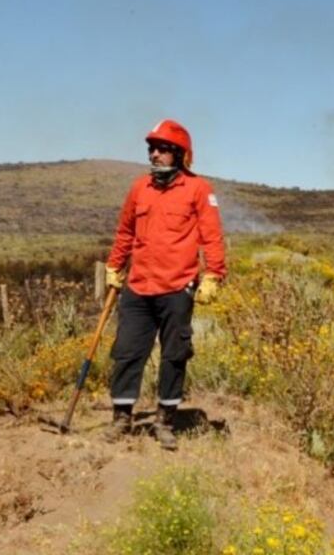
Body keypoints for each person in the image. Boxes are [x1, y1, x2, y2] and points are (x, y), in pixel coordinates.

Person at [103, 118, 227, 450]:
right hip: (138, 287)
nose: (154, 155)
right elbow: (125, 232)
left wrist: (214, 274)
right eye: (151, 149)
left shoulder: (199, 190)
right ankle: (121, 418)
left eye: (162, 150)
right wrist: (114, 266)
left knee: (174, 356)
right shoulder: (139, 188)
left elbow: (212, 237)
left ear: (180, 154)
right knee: (127, 353)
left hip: (177, 288)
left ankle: (164, 420)